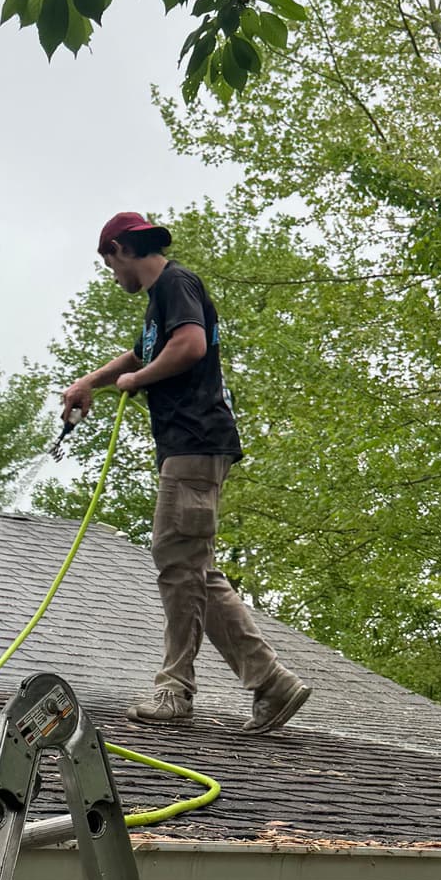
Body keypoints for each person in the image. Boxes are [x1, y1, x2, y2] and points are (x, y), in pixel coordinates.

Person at [61, 214, 312, 733]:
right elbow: (141, 352)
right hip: (194, 446)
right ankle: (271, 682)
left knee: (177, 562)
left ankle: (175, 690)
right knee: (193, 566)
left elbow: (190, 346)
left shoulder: (176, 283)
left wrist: (138, 379)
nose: (111, 276)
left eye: (108, 263)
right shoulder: (162, 300)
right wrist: (93, 381)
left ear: (119, 248)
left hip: (194, 443)